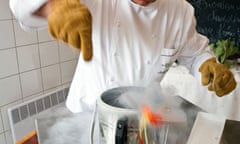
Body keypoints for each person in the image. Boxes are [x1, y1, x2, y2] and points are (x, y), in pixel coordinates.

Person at [9, 0, 237, 113]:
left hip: (140, 118)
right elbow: (20, 5)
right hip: (87, 115)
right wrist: (53, 8)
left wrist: (208, 64)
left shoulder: (181, 10)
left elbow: (194, 52)